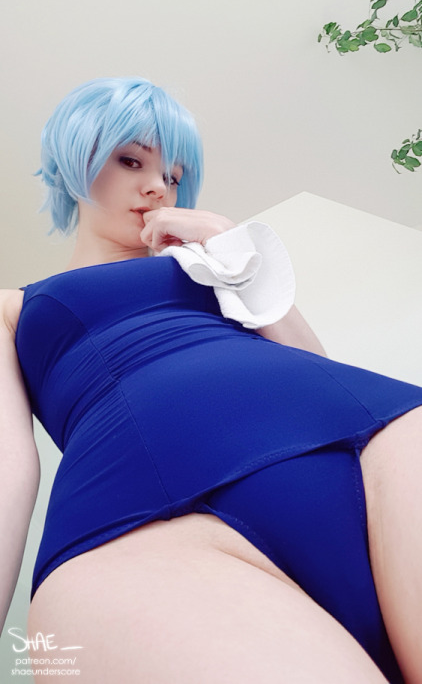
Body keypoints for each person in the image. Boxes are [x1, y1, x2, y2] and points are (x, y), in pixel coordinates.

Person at [0, 76, 421, 684]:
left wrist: (233, 249)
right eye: (131, 160)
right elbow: (8, 469)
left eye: (172, 175)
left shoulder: (211, 265)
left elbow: (316, 363)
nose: (157, 186)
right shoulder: (13, 306)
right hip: (142, 516)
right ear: (74, 160)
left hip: (372, 440)